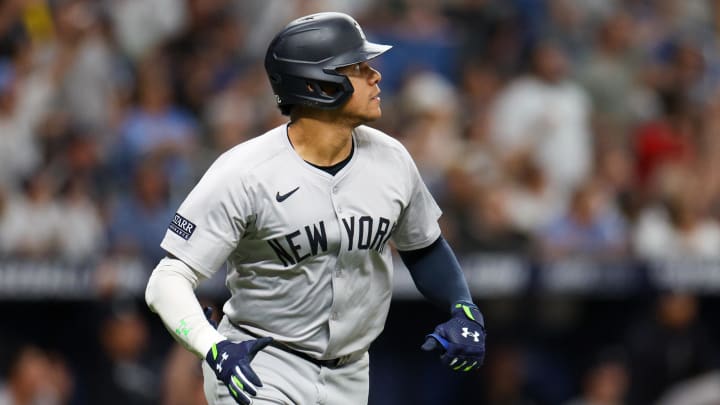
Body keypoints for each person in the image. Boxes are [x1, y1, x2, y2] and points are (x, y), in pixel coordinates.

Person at [145, 12, 486, 405]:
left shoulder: (392, 159)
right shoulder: (244, 172)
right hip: (262, 365)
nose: (375, 76)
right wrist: (213, 346)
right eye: (357, 68)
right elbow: (168, 278)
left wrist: (464, 307)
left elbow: (424, 246)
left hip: (353, 373)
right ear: (317, 84)